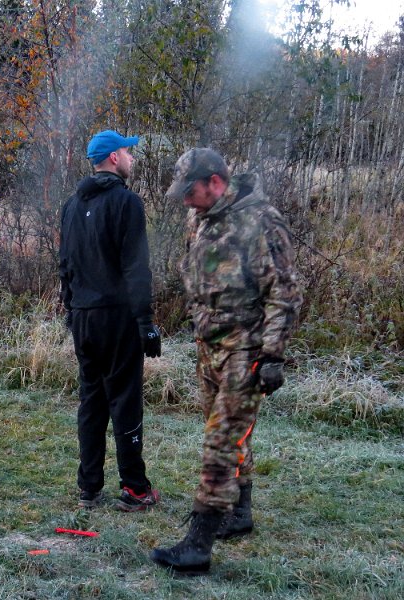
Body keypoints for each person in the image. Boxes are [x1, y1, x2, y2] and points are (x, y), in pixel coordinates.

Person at [151, 148, 302, 574]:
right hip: (209, 347)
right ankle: (240, 512)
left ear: (216, 181)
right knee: (234, 437)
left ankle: (198, 545)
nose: (185, 200)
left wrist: (273, 354)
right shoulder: (200, 217)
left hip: (246, 349)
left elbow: (284, 293)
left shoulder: (261, 221)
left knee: (220, 443)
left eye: (191, 191)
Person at [59, 130, 162, 512]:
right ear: (114, 158)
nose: (132, 158)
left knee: (92, 400)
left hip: (84, 319)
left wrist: (72, 311)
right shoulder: (126, 202)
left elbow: (64, 265)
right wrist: (145, 322)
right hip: (117, 318)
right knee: (125, 400)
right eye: (128, 152)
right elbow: (137, 268)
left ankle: (88, 488)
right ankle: (135, 489)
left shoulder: (71, 205)